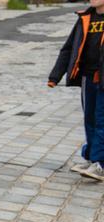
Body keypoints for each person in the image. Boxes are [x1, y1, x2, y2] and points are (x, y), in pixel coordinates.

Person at [49, 0, 104, 181]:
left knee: (102, 120)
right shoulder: (85, 17)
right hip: (87, 78)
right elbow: (69, 48)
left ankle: (101, 164)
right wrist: (55, 75)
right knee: (90, 118)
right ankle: (91, 158)